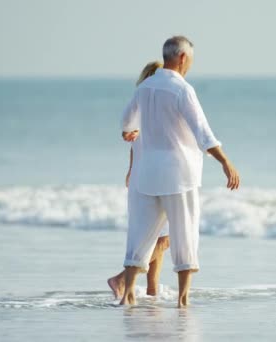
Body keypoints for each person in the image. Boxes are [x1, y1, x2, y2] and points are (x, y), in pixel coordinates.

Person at [120, 36, 240, 307]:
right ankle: (183, 300)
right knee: (185, 234)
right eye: (191, 60)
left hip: (146, 174)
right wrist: (225, 162)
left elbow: (127, 123)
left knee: (139, 235)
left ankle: (127, 295)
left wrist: (132, 131)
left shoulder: (145, 87)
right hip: (178, 174)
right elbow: (203, 132)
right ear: (183, 57)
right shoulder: (182, 89)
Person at [107, 61, 170, 299]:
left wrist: (131, 169)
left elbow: (134, 142)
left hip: (145, 176)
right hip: (156, 178)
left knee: (159, 237)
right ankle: (121, 279)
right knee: (164, 239)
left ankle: (152, 290)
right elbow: (135, 139)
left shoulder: (144, 106)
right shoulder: (152, 107)